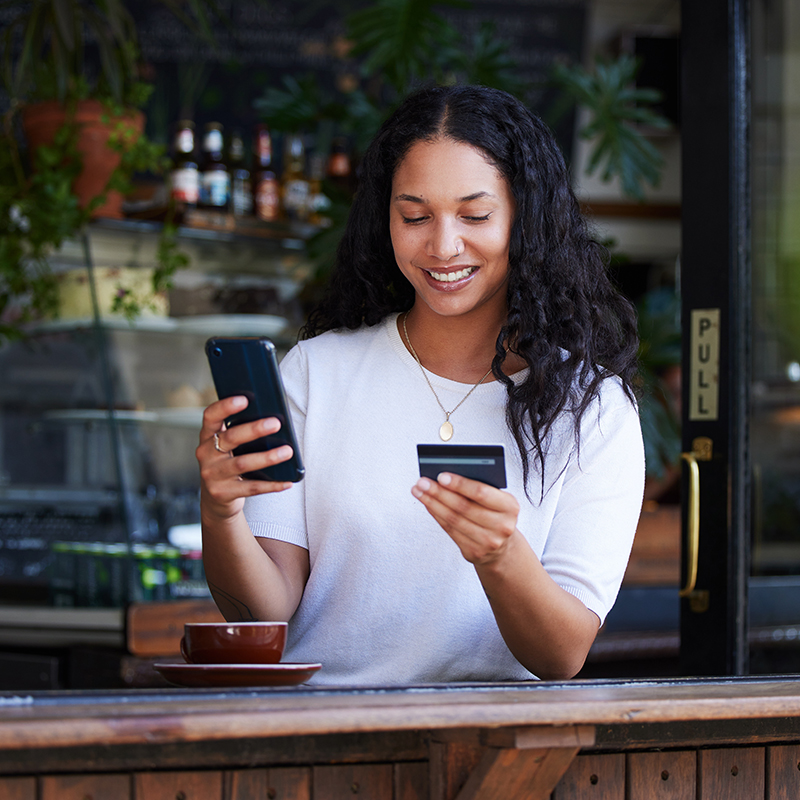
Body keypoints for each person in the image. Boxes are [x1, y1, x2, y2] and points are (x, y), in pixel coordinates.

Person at [197, 84, 645, 685]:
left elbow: (560, 656)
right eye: (414, 215)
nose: (442, 245)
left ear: (526, 220)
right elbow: (265, 612)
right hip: (322, 742)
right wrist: (221, 510)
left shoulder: (592, 409)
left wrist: (500, 555)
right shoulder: (316, 373)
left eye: (475, 215)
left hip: (493, 755)